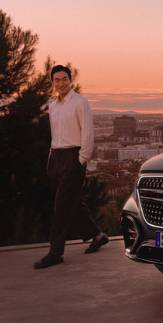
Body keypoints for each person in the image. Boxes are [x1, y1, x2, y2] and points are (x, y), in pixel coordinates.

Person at [33, 65, 109, 269]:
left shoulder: (80, 103)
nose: (61, 83)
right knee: (72, 201)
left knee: (61, 207)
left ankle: (55, 253)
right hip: (56, 158)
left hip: (73, 158)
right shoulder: (53, 107)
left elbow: (88, 133)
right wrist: (51, 158)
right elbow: (55, 134)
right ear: (52, 82)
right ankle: (98, 236)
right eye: (56, 80)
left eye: (64, 79)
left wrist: (81, 159)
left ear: (70, 79)